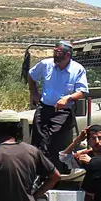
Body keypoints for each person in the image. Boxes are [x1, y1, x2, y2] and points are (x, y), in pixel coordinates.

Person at [28, 40, 88, 172]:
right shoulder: (45, 64)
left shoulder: (77, 69)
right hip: (44, 108)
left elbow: (82, 91)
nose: (55, 56)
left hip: (63, 111)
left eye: (58, 53)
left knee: (53, 139)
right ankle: (38, 171)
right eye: (54, 52)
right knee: (38, 139)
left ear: (68, 55)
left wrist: (68, 98)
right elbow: (31, 76)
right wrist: (34, 92)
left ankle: (54, 172)